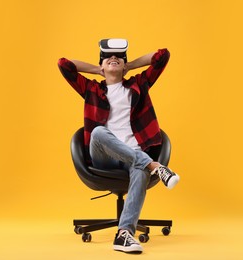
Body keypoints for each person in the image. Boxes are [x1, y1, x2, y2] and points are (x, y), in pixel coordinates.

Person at [57, 39, 180, 254]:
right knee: (98, 131)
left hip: (133, 155)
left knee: (139, 170)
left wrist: (129, 65)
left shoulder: (138, 85)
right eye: (107, 57)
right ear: (101, 66)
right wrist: (99, 69)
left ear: (125, 66)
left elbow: (162, 56)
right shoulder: (92, 89)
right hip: (103, 155)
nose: (113, 58)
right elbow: (64, 64)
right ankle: (154, 166)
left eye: (119, 58)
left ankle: (124, 234)